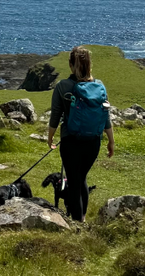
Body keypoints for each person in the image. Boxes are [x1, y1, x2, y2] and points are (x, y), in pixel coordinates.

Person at [46, 46, 114, 222]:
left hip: (71, 141)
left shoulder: (62, 86)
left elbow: (55, 116)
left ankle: (78, 223)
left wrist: (50, 137)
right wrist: (111, 141)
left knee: (74, 182)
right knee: (81, 177)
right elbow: (106, 117)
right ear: (90, 65)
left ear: (70, 65)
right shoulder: (99, 86)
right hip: (93, 143)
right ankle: (82, 217)